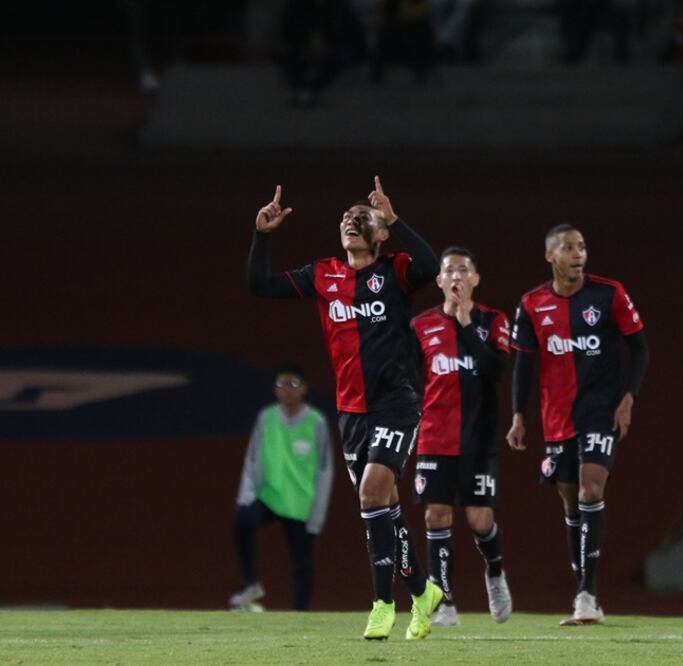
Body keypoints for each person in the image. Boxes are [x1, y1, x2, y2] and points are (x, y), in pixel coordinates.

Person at [248, 178, 443, 640]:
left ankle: (382, 603)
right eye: (346, 218)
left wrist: (395, 218)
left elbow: (432, 266)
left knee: (372, 494)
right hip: (351, 411)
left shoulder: (395, 270)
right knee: (386, 511)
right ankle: (423, 592)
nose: (352, 222)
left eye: (364, 218)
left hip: (396, 403)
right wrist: (263, 234)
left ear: (380, 234)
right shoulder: (324, 275)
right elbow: (259, 284)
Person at [506, 224, 649, 625]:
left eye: (582, 247)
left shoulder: (609, 294)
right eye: (569, 248)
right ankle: (583, 588)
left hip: (601, 410)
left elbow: (639, 348)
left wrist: (628, 398)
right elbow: (524, 363)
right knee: (570, 501)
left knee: (590, 486)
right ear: (550, 255)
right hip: (557, 418)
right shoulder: (532, 303)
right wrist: (518, 414)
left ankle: (587, 594)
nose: (578, 254)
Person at [410, 247, 513, 627]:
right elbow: (408, 378)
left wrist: (466, 323)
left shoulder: (494, 320)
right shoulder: (420, 326)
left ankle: (495, 571)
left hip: (478, 437)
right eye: (448, 271)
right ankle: (444, 600)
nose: (455, 276)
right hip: (434, 436)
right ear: (438, 280)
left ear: (475, 279)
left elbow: (493, 369)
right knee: (436, 516)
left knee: (479, 519)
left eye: (463, 270)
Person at [230, 364, 333, 612]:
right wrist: (246, 496)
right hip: (269, 496)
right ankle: (251, 584)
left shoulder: (315, 422)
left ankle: (300, 614)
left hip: (300, 504)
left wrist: (317, 516)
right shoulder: (266, 417)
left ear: (304, 389)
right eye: (280, 384)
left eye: (292, 384)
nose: (286, 389)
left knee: (302, 563)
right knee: (242, 522)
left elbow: (325, 470)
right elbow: (252, 457)